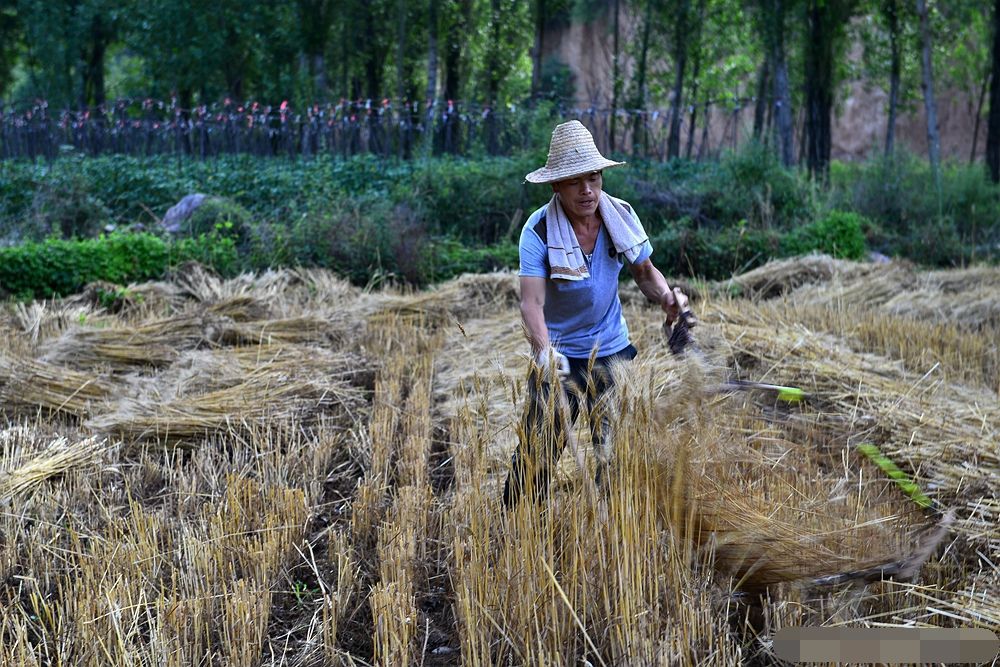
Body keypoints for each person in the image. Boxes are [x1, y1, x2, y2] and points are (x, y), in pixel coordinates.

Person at [502, 120, 688, 508]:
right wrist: (543, 352)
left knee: (616, 450)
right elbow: (531, 304)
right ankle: (514, 525)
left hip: (611, 348)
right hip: (560, 354)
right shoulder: (537, 231)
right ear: (556, 185)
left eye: (593, 177)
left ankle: (611, 528)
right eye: (575, 181)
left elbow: (644, 272)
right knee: (537, 449)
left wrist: (667, 299)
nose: (587, 190)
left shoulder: (619, 216)